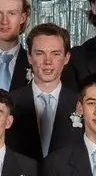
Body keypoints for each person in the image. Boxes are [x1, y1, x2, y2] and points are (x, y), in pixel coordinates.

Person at [7, 23, 81, 161]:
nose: (48, 61)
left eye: (55, 54)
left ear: (67, 58)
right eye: (40, 53)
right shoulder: (9, 103)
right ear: (29, 57)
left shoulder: (82, 103)